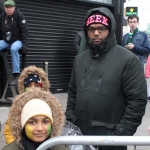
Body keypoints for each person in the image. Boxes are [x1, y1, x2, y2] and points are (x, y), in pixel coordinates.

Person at [65, 7, 147, 150]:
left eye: (101, 28)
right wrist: (71, 120)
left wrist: (119, 136)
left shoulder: (128, 60)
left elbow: (137, 102)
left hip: (110, 142)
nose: (96, 33)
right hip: (79, 139)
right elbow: (73, 92)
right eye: (91, 29)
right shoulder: (79, 59)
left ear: (110, 30)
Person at [4, 65, 95, 150]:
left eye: (45, 121)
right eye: (32, 122)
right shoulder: (18, 110)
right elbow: (10, 131)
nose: (40, 128)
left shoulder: (59, 146)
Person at [0, 0, 28, 86]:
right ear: (4, 8)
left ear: (14, 7)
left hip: (17, 40)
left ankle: (16, 74)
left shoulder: (19, 15)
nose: (8, 9)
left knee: (14, 48)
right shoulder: (2, 16)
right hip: (6, 40)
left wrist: (25, 44)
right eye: (7, 7)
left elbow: (24, 31)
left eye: (10, 7)